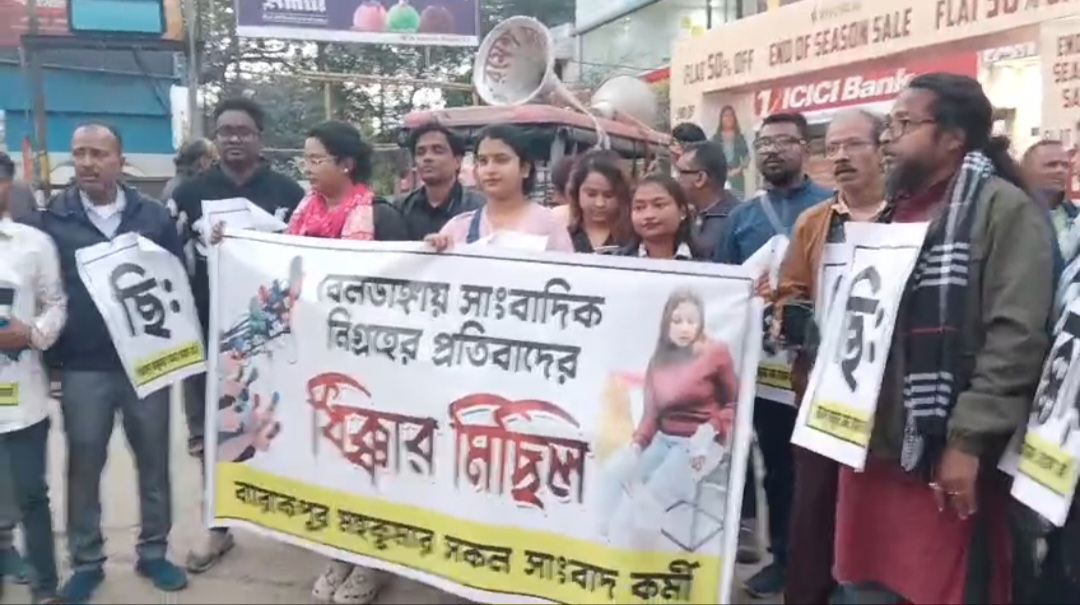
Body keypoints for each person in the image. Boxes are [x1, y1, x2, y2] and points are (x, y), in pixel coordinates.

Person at [832, 73, 1054, 605]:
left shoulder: (1003, 211)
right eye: (889, 124)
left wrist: (966, 441)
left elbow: (1015, 340)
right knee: (865, 587)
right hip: (872, 449)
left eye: (904, 123)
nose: (889, 137)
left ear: (953, 137)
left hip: (942, 458)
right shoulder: (892, 210)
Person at [207, 120, 409, 605]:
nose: (309, 168)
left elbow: (404, 292)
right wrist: (230, 242)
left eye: (317, 159)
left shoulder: (381, 217)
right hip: (314, 364)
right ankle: (340, 550)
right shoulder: (303, 214)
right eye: (306, 159)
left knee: (368, 462)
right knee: (330, 461)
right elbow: (275, 269)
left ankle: (373, 561)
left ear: (346, 164)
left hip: (368, 365)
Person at [37, 124, 188, 603]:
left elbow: (176, 281)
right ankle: (86, 561)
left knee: (154, 461)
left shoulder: (153, 216)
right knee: (84, 465)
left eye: (98, 153)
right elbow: (45, 294)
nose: (86, 162)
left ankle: (154, 552)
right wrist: (51, 362)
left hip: (148, 363)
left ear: (120, 161)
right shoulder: (53, 220)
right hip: (84, 365)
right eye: (79, 153)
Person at [168, 97, 306, 574]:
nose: (233, 138)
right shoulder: (190, 194)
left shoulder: (289, 192)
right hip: (207, 337)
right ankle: (218, 525)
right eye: (225, 130)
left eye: (243, 131)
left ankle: (290, 519)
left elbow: (306, 259)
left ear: (259, 137)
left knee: (278, 427)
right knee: (213, 434)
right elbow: (170, 261)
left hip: (271, 338)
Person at [712, 111, 832, 598]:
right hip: (763, 366)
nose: (772, 150)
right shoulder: (742, 217)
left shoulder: (831, 208)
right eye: (764, 143)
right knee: (777, 466)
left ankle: (827, 564)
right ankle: (783, 556)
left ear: (806, 147)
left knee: (822, 468)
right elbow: (722, 285)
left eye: (784, 141)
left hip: (820, 360)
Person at [771, 109, 887, 605]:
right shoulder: (814, 223)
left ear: (883, 148)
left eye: (853, 144)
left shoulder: (912, 218)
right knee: (814, 513)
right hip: (822, 394)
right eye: (833, 147)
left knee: (879, 521)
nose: (841, 156)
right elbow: (791, 289)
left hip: (888, 403)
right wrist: (790, 315)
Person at [597, 288, 739, 543]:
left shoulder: (716, 353)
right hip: (663, 440)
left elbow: (734, 402)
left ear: (701, 324)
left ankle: (640, 553)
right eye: (677, 321)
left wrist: (712, 426)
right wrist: (637, 446)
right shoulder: (659, 361)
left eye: (691, 321)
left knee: (652, 494)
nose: (684, 328)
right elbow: (651, 414)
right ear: (667, 324)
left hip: (701, 444)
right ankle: (600, 539)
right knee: (612, 473)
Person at [0, 151, 66, 604]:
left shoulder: (33, 244)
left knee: (31, 495)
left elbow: (55, 303)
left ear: (8, 186)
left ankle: (45, 586)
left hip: (21, 396)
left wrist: (33, 333)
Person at [425, 124, 573, 252]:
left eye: (501, 160)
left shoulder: (549, 225)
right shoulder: (458, 228)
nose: (490, 170)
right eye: (483, 161)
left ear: (524, 168)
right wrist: (433, 250)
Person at [396, 121, 484, 239]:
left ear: (458, 161)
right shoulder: (401, 208)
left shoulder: (479, 207)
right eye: (420, 152)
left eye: (437, 151)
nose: (427, 158)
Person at [676, 140, 740, 258]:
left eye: (680, 172)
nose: (676, 179)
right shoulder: (691, 215)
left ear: (700, 178)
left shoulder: (734, 221)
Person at [616, 173, 702, 259]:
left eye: (659, 205)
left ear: (682, 212)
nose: (649, 215)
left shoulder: (706, 260)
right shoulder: (618, 261)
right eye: (639, 207)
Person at [566, 149, 632, 253]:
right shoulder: (563, 232)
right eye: (591, 194)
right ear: (576, 192)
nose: (600, 203)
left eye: (609, 195)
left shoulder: (634, 237)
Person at [711, 104, 752, 199]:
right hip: (720, 177)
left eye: (731, 116)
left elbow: (747, 156)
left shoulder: (740, 137)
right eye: (725, 116)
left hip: (737, 177)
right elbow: (712, 157)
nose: (728, 118)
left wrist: (739, 169)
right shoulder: (716, 138)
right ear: (721, 119)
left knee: (737, 200)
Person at [162, 138, 217, 202]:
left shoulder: (173, 184)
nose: (215, 165)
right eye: (213, 161)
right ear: (203, 161)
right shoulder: (193, 189)